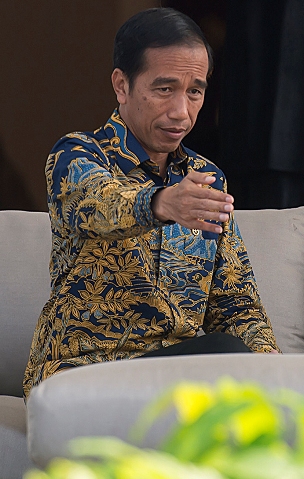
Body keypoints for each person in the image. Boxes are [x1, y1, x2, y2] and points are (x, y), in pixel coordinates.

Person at [23, 8, 279, 399]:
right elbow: (99, 203)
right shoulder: (77, 155)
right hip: (81, 377)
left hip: (176, 381)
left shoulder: (206, 177)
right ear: (121, 85)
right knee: (223, 356)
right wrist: (161, 202)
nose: (181, 112)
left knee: (244, 363)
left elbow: (237, 306)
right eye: (164, 89)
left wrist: (282, 377)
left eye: (195, 91)